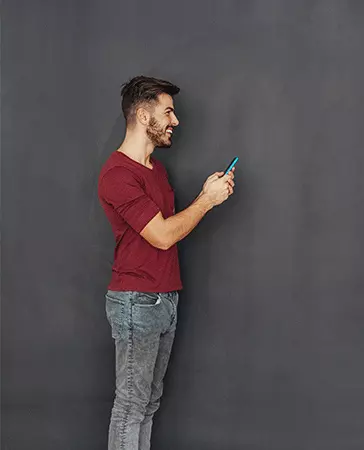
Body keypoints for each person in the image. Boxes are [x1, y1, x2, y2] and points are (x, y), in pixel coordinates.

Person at [97, 76, 234, 450]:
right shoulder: (118, 175)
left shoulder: (156, 172)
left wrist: (208, 196)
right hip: (136, 302)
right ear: (143, 115)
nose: (175, 121)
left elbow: (169, 227)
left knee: (148, 404)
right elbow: (161, 235)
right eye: (168, 112)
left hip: (164, 298)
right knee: (130, 407)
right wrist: (207, 200)